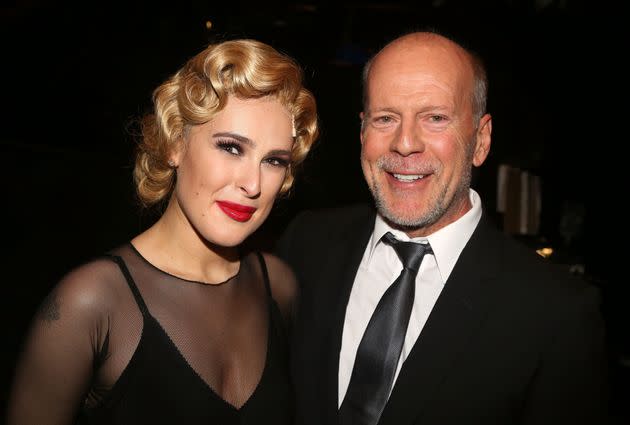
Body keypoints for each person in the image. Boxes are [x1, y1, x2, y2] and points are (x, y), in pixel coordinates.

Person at [277, 31, 608, 425]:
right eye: (386, 118)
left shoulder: (556, 313)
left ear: (481, 140)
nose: (404, 144)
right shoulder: (306, 244)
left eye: (435, 118)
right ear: (362, 131)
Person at [8, 38, 318, 425]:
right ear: (175, 143)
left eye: (273, 160)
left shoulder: (280, 287)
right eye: (231, 148)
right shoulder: (90, 304)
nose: (253, 184)